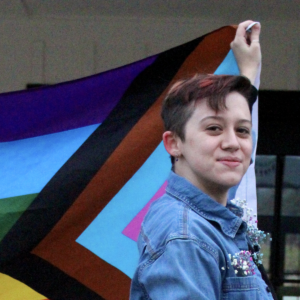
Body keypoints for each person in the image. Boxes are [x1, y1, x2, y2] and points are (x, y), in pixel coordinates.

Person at [130, 21, 275, 299]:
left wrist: (248, 73)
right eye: (213, 128)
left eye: (242, 130)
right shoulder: (186, 237)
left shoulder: (210, 217)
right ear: (174, 144)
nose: (233, 143)